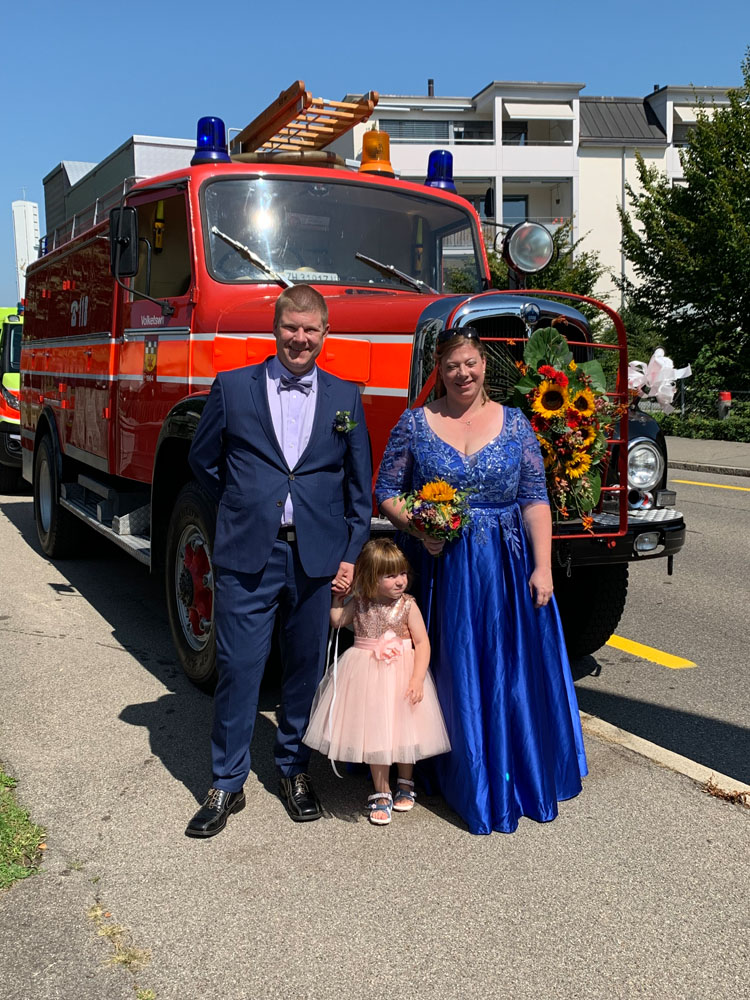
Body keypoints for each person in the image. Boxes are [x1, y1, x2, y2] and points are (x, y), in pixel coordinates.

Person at [375, 326, 587, 836]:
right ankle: (446, 769)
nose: (462, 373)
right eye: (451, 366)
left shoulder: (515, 424)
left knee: (503, 671)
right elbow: (386, 491)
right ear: (439, 370)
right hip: (439, 570)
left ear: (484, 364)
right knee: (447, 665)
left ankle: (506, 771)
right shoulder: (415, 423)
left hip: (504, 571)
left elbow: (535, 498)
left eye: (470, 363)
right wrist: (419, 525)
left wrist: (542, 566)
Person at [185, 284, 372, 837]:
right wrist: (244, 507)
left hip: (317, 558)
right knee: (240, 667)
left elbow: (359, 493)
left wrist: (348, 555)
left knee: (304, 670)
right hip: (250, 553)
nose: (300, 338)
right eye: (291, 327)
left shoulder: (345, 397)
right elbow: (203, 459)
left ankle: (292, 768)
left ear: (325, 333)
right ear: (276, 327)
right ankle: (226, 781)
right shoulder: (234, 387)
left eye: (310, 329)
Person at [303, 539, 450, 826]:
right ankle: (381, 790)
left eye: (402, 574)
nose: (400, 581)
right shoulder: (360, 603)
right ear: (371, 577)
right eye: (390, 576)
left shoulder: (408, 606)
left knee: (405, 731)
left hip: (402, 674)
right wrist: (337, 598)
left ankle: (406, 781)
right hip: (366, 675)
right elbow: (336, 621)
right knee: (375, 733)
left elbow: (422, 644)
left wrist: (418, 678)